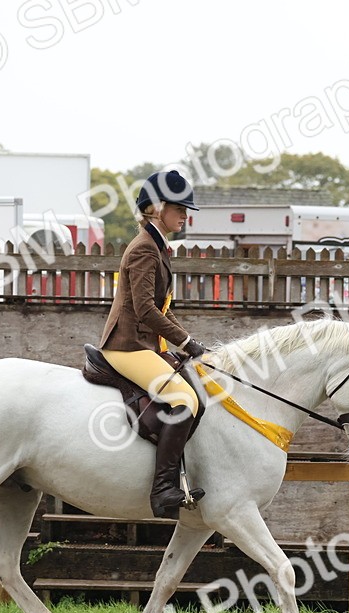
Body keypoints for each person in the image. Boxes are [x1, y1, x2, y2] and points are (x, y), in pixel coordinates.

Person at [99, 169, 209, 519]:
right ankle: (162, 489)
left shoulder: (157, 245)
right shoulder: (145, 249)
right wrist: (186, 341)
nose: (185, 215)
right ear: (157, 208)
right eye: (179, 208)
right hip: (127, 345)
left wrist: (192, 343)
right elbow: (145, 309)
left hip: (146, 343)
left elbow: (163, 309)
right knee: (185, 399)